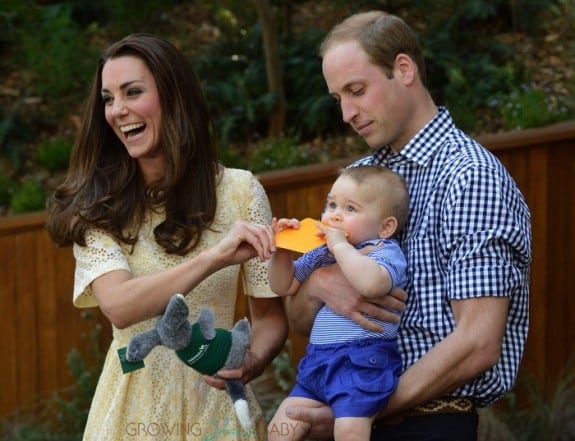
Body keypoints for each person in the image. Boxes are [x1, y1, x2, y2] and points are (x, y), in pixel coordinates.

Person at [282, 11, 531, 441]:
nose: (346, 113)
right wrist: (319, 285)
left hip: (431, 421)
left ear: (403, 69)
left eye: (356, 90)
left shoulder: (470, 175)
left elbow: (478, 341)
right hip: (346, 412)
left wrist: (365, 409)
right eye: (337, 97)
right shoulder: (357, 179)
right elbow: (299, 318)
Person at [46, 33, 287, 441]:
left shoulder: (241, 192)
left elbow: (269, 317)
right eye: (108, 98)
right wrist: (215, 256)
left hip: (219, 416)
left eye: (132, 92)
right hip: (130, 416)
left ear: (175, 97)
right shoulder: (96, 205)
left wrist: (252, 361)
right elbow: (120, 306)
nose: (117, 111)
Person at [267, 165, 409, 441]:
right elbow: (284, 285)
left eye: (350, 209)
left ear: (385, 226)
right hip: (319, 361)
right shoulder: (323, 253)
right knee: (282, 424)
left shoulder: (383, 252)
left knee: (349, 430)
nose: (333, 215)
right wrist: (281, 252)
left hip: (362, 362)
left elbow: (370, 284)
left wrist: (340, 247)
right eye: (331, 204)